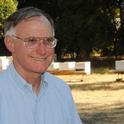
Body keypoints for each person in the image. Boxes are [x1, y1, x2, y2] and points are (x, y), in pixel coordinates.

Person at [0, 6, 83, 124]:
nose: (42, 51)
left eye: (48, 41)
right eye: (32, 41)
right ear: (10, 43)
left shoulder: (60, 89)